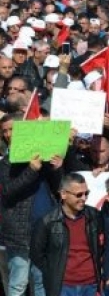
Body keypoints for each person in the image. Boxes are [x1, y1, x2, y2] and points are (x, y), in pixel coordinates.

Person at [0, 112, 63, 296]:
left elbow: (58, 188)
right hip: (19, 234)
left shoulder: (41, 157)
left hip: (45, 229)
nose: (8, 134)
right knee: (18, 284)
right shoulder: (5, 163)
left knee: (42, 283)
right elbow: (7, 192)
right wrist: (31, 170)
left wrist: (57, 168)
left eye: (12, 129)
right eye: (4, 131)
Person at [31, 173, 102, 296]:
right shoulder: (47, 221)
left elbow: (101, 247)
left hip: (91, 285)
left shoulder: (94, 216)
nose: (84, 198)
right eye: (79, 195)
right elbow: (36, 254)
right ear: (63, 194)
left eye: (86, 193)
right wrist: (53, 272)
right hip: (63, 287)